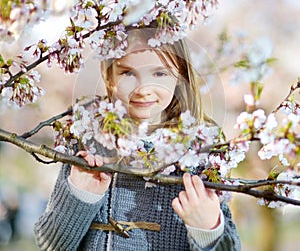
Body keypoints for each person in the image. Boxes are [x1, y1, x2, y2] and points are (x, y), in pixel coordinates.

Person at [34, 23, 241, 250]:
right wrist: (79, 197)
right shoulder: (89, 138)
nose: (143, 88)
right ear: (109, 75)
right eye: (127, 73)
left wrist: (208, 230)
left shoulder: (202, 149)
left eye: (160, 73)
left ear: (180, 74)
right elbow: (49, 245)